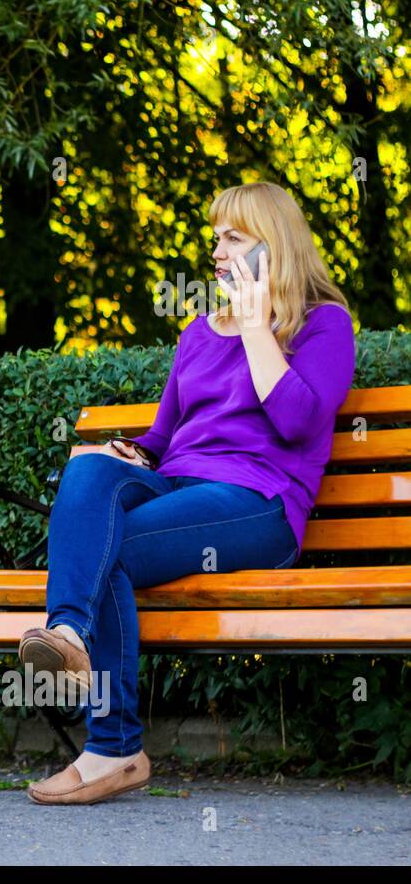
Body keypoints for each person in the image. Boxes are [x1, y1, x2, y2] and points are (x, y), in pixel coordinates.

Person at [20, 181, 356, 805]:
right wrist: (128, 453)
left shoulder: (323, 324)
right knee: (89, 472)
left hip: (256, 505)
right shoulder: (200, 333)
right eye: (216, 239)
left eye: (234, 238)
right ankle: (66, 636)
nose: (218, 252)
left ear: (273, 244)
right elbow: (163, 435)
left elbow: (298, 422)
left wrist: (258, 329)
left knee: (105, 554)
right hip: (177, 487)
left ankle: (113, 749)